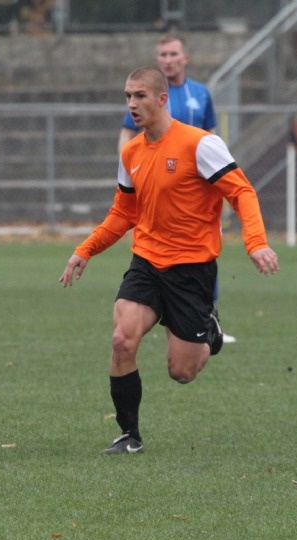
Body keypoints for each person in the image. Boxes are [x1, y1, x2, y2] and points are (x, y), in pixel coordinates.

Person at [59, 67, 279, 455]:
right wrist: (86, 249)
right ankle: (130, 435)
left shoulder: (201, 145)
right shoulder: (130, 152)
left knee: (182, 372)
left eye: (140, 95)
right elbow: (123, 214)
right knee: (121, 339)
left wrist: (255, 242)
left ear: (163, 99)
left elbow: (242, 193)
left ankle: (208, 329)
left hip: (192, 270)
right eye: (127, 96)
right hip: (146, 261)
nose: (131, 103)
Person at [117, 33, 236, 343]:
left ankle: (206, 312)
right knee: (153, 254)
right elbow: (128, 137)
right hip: (159, 188)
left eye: (173, 54)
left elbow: (211, 135)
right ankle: (173, 318)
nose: (168, 60)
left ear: (186, 58)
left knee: (202, 251)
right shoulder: (143, 94)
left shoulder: (200, 94)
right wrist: (129, 176)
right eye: (163, 55)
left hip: (196, 192)